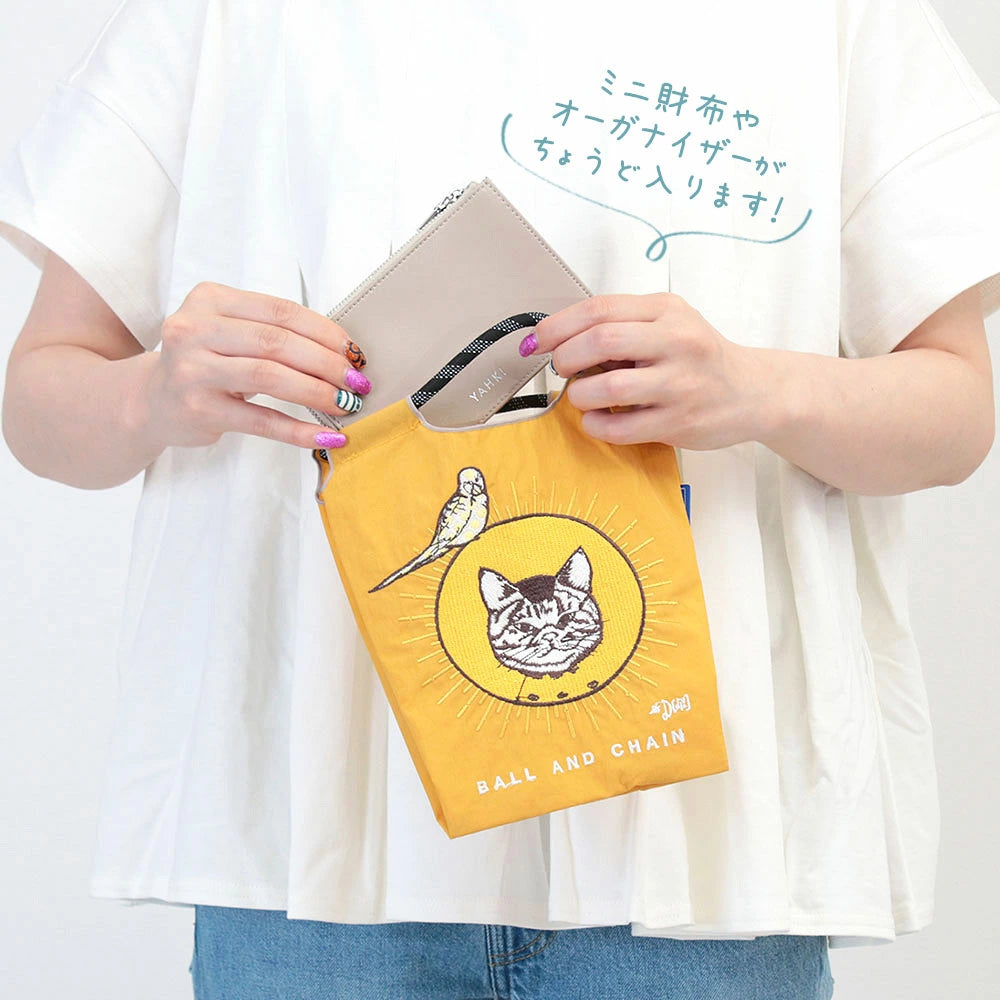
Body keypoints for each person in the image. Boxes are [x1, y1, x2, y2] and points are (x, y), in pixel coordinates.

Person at [1, 0, 998, 997]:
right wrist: (153, 391)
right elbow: (42, 401)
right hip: (316, 846)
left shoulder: (836, 21)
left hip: (698, 846)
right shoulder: (215, 20)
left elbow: (956, 414)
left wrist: (760, 388)